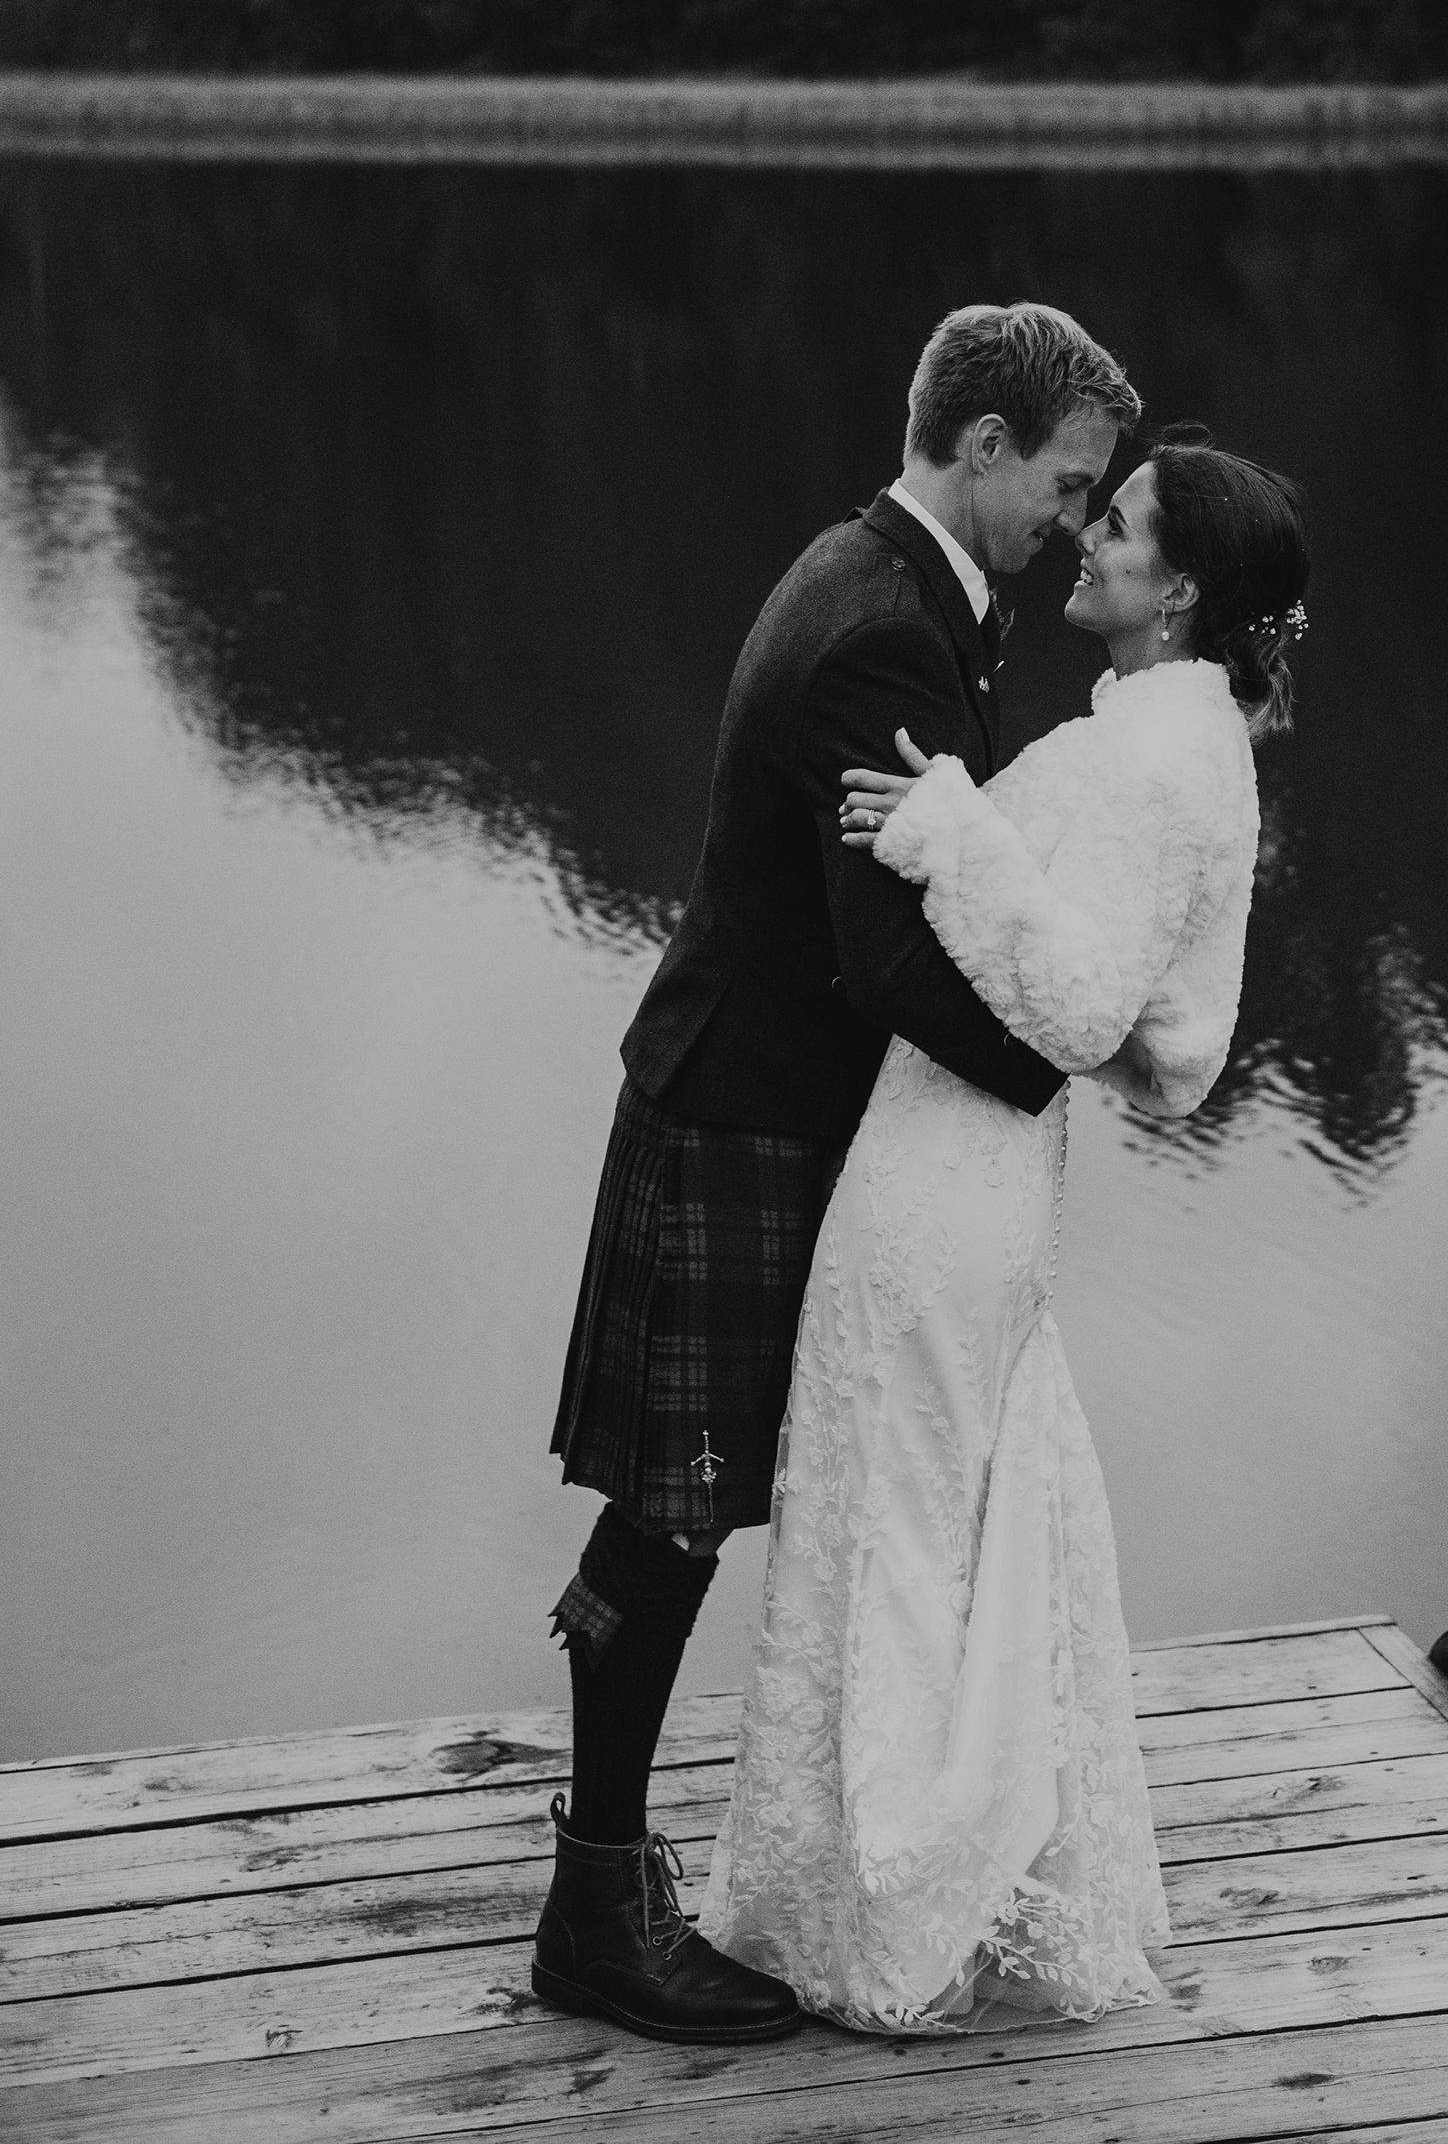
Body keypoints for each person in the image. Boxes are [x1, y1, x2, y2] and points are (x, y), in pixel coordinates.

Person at [535, 302, 1143, 2044]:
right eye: (1068, 484)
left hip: (744, 1102)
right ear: (984, 445)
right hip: (743, 1115)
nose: (1076, 525)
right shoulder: (884, 629)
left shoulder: (875, 574)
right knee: (671, 1513)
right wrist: (1056, 1058)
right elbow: (884, 962)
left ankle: (608, 1875)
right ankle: (594, 1911)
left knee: (674, 1507)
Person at [699, 426, 1311, 2031]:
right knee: (930, 1510)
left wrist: (949, 827)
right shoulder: (1181, 744)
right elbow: (1166, 1042)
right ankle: (923, 1883)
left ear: (1178, 591)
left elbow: (1094, 1003)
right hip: (985, 1172)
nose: (1087, 535)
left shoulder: (1145, 763)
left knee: (895, 1513)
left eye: (1122, 523)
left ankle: (888, 1911)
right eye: (1093, 506)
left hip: (947, 1169)